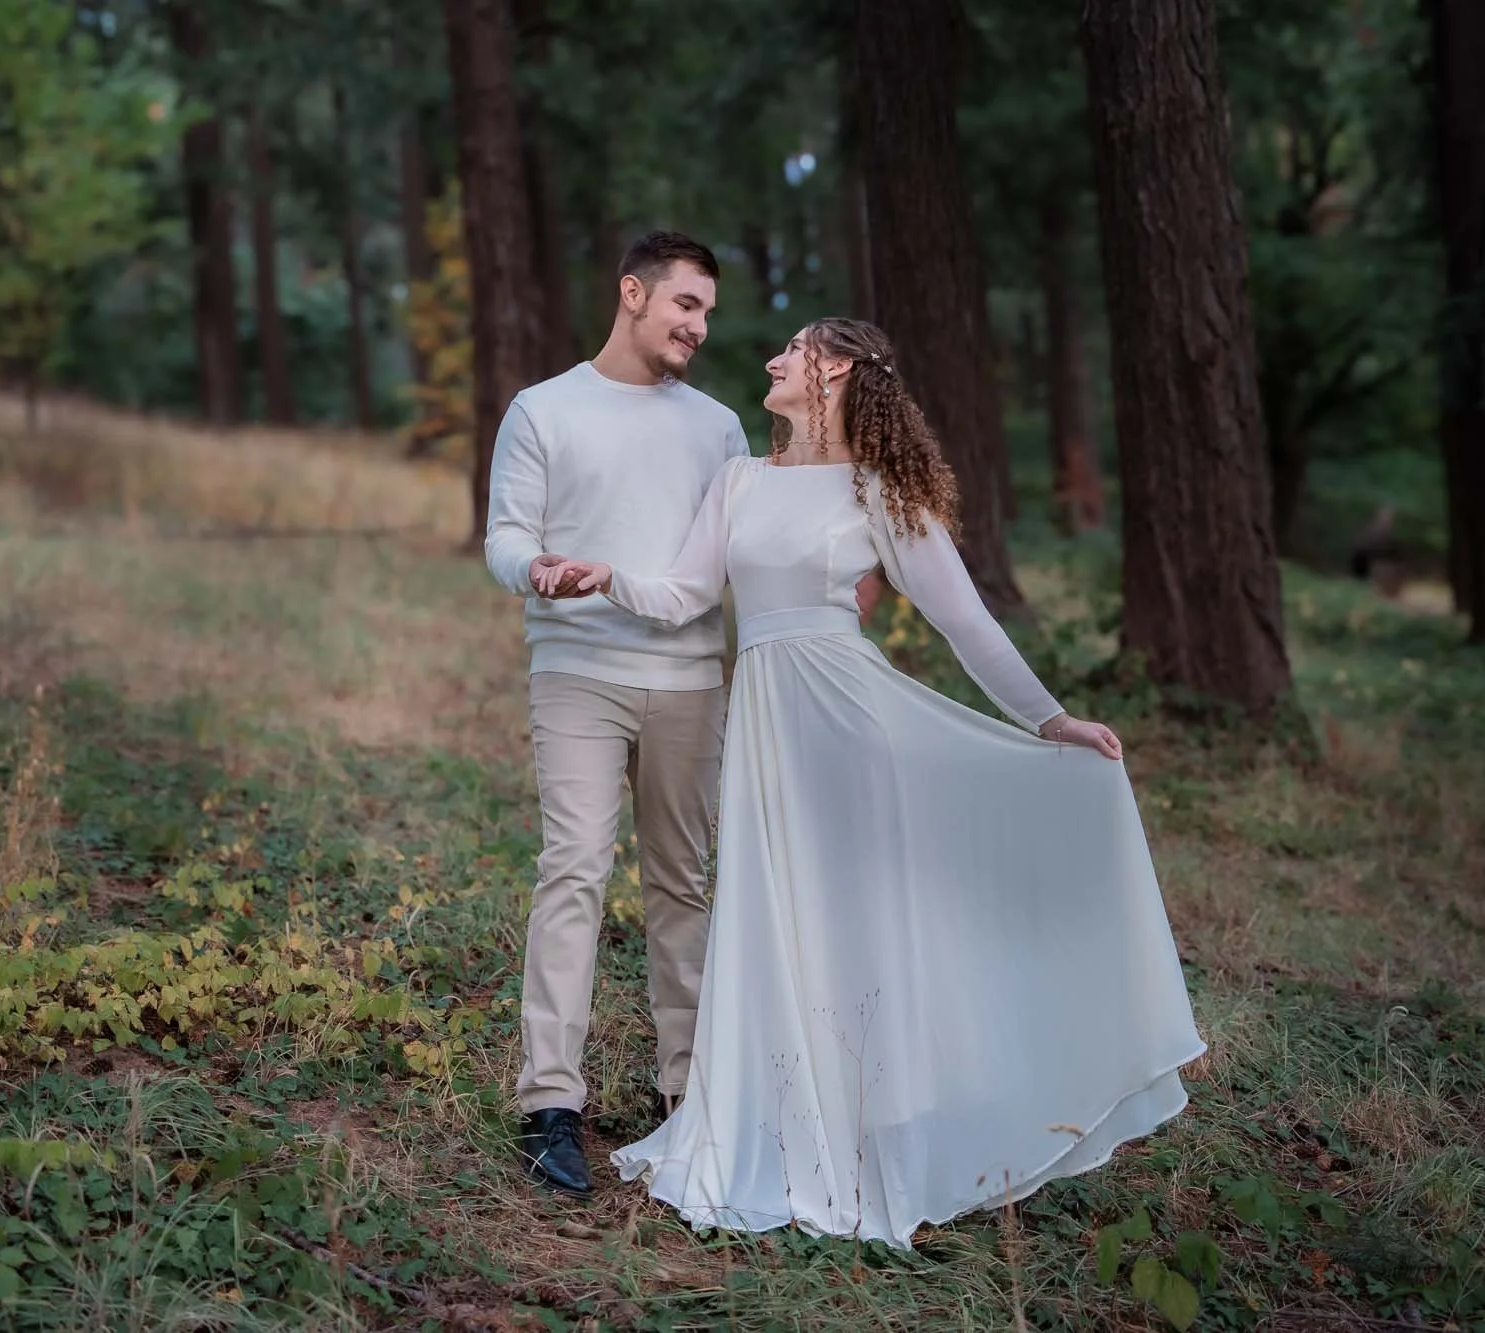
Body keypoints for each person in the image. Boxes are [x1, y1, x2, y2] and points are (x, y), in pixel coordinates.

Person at [541, 317, 1205, 1246]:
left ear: (837, 368)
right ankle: (780, 1120)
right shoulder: (740, 481)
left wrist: (1048, 719)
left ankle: (879, 1123)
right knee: (778, 911)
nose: (771, 360)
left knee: (855, 915)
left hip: (850, 726)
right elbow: (685, 594)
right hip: (766, 724)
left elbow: (965, 622)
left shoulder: (878, 491)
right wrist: (605, 575)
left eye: (793, 350)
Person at [483, 233, 883, 1197]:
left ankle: (691, 1094)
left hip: (692, 681)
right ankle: (549, 1106)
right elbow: (504, 534)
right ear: (633, 293)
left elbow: (739, 554)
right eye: (687, 306)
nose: (701, 328)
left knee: (683, 883)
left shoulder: (715, 429)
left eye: (707, 312)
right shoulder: (543, 409)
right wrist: (533, 569)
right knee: (573, 867)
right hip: (575, 671)